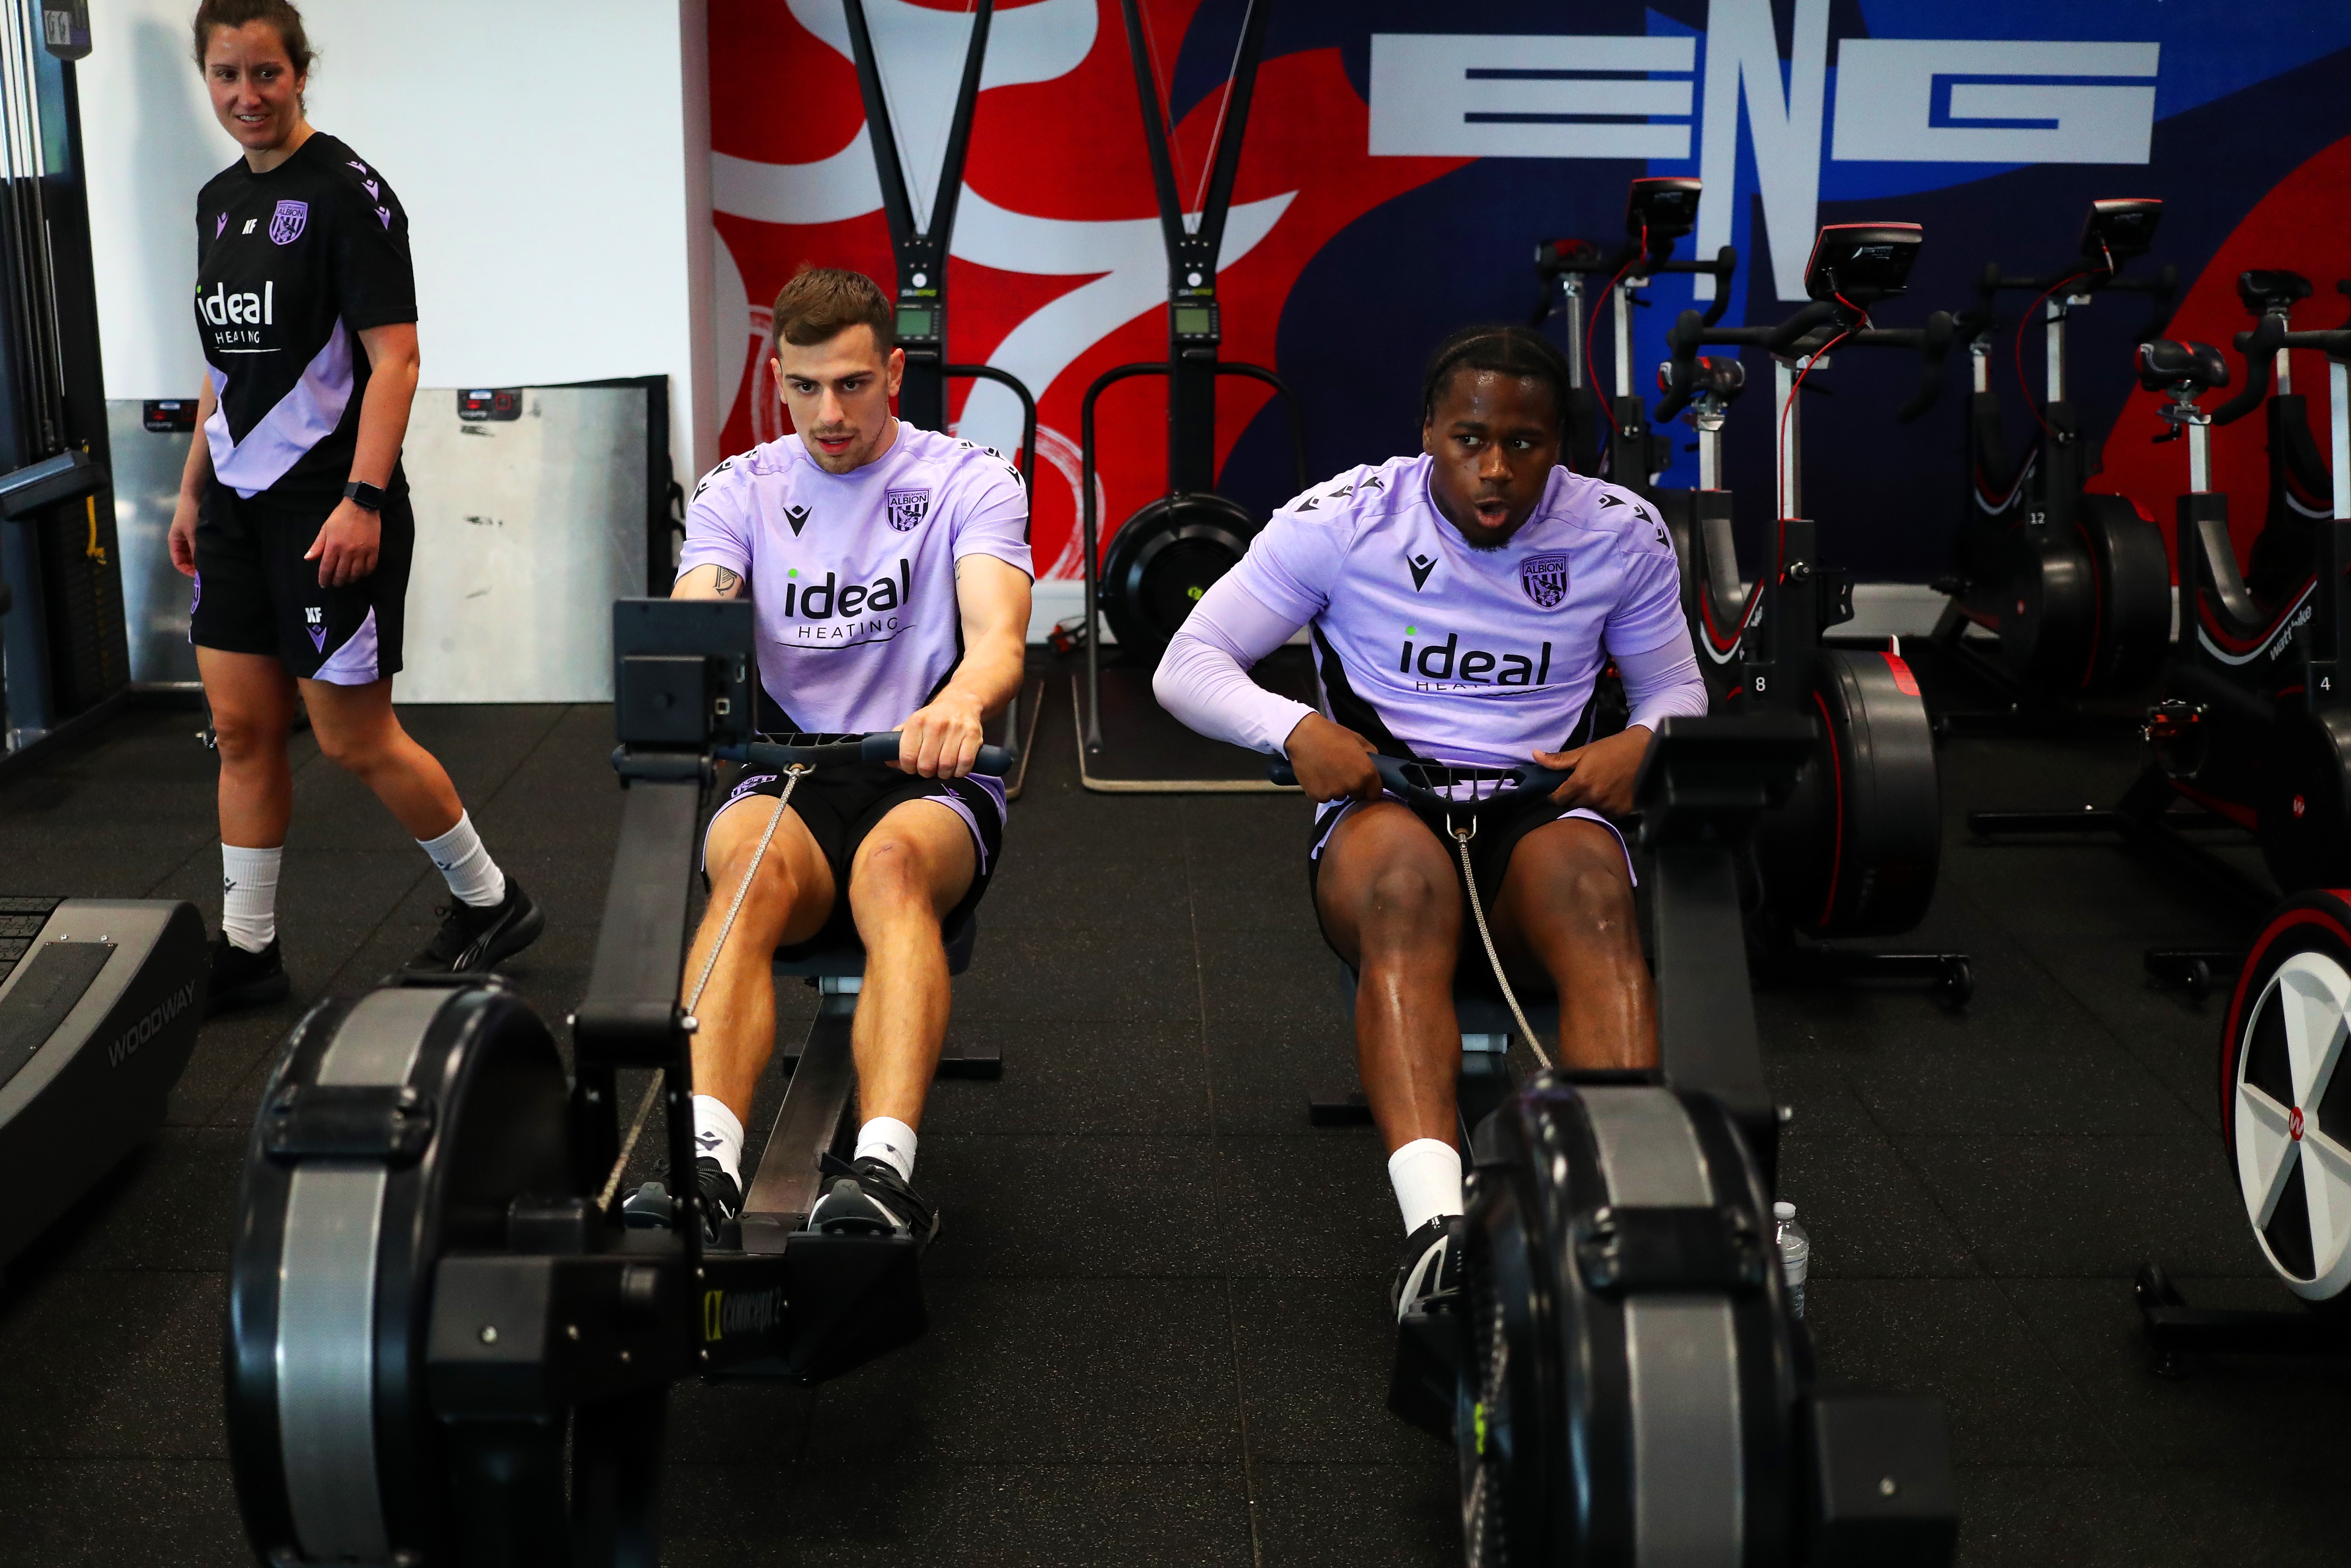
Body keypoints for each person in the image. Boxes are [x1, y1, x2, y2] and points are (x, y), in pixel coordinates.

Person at [1153, 324, 1706, 1325]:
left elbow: (1674, 689)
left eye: (1526, 444)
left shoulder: (1620, 530)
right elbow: (1186, 665)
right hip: (1389, 809)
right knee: (1405, 895)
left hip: (1543, 806)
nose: (1496, 469)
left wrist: (1645, 742)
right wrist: (1295, 730)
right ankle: (1435, 1239)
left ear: (1559, 446)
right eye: (1470, 440)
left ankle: (1617, 1215)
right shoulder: (1342, 520)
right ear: (1429, 436)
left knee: (1597, 900)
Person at [629, 267, 1033, 1243]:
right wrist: (689, 658)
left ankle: (881, 1172)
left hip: (926, 771)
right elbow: (701, 611)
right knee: (749, 876)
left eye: (852, 384)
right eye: (805, 387)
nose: (829, 412)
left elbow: (999, 639)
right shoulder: (742, 488)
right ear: (778, 380)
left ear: (894, 370)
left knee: (891, 874)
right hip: (791, 765)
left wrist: (961, 704)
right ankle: (705, 1167)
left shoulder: (969, 478)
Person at [169, 0, 544, 1009]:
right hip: (239, 508)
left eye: (267, 73)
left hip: (330, 505)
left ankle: (490, 898)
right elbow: (223, 367)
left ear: (300, 72)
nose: (248, 95)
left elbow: (398, 359)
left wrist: (364, 501)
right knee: (243, 729)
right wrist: (193, 487)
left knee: (350, 736)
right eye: (227, 75)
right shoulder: (215, 203)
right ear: (208, 77)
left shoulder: (346, 192)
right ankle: (251, 950)